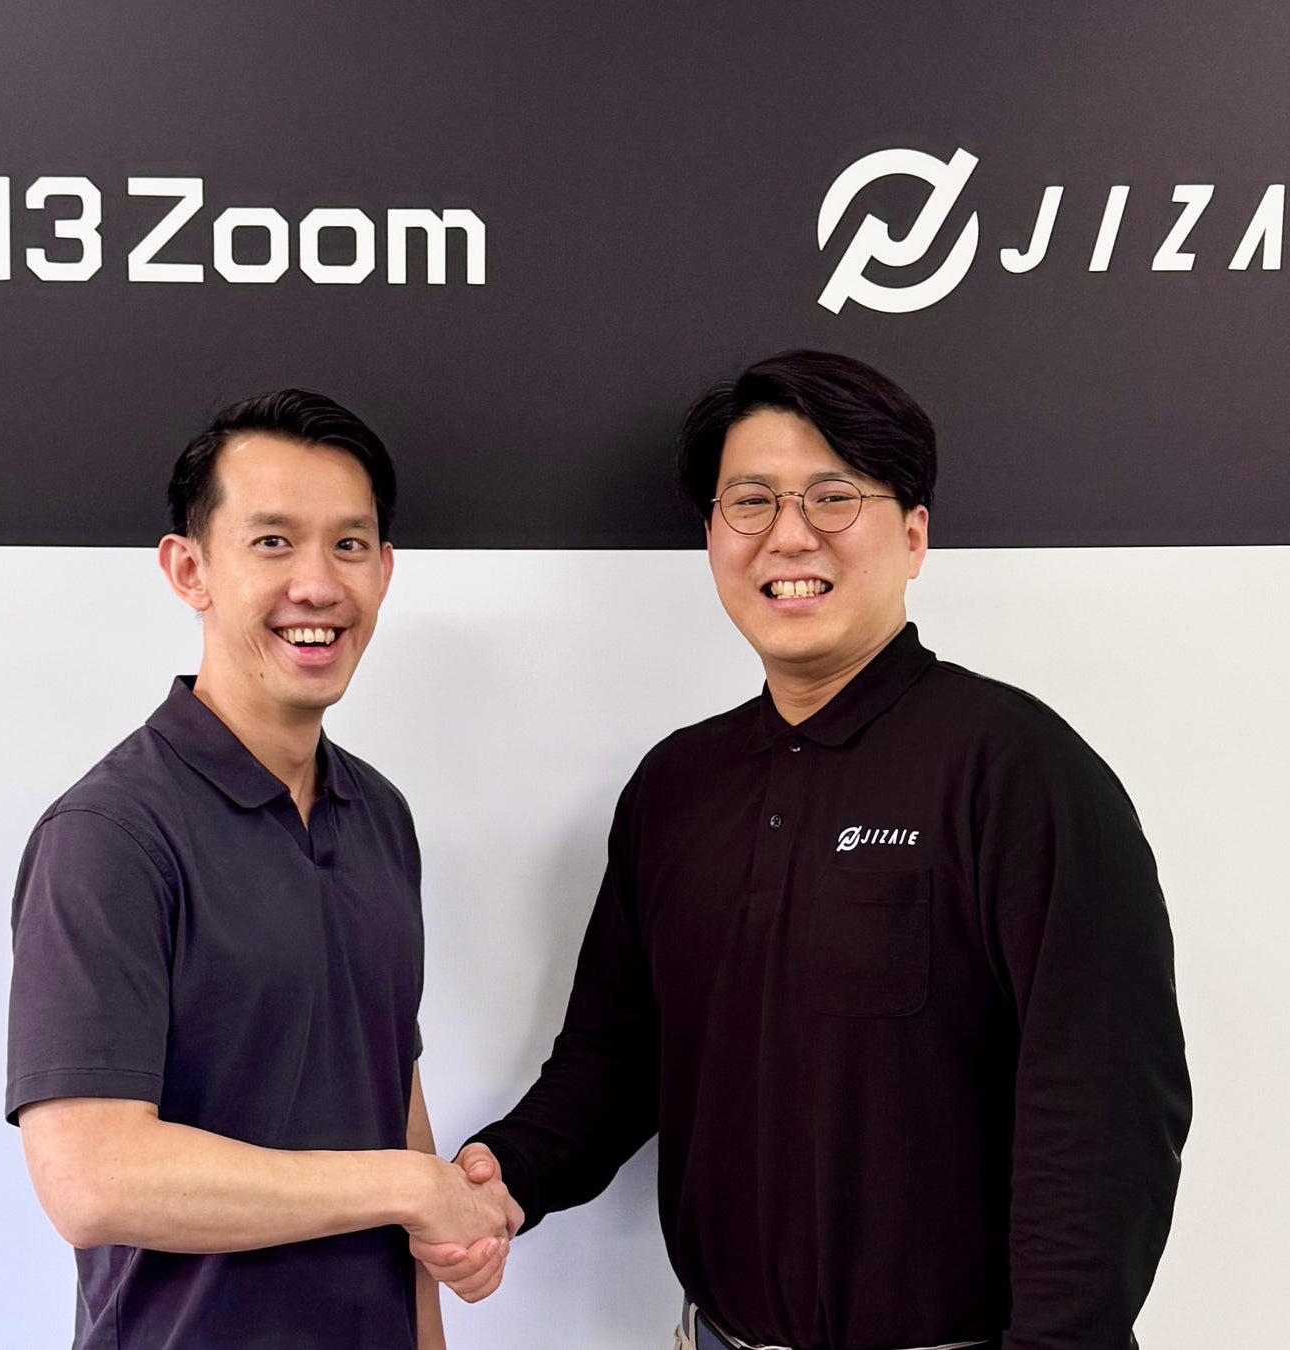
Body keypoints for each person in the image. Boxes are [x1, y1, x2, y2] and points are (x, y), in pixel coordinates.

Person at [419, 351, 1192, 1349]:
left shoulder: (1017, 769)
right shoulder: (676, 787)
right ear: (712, 536)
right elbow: (620, 1058)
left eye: (834, 497)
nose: (790, 534)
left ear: (913, 535)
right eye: (751, 502)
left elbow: (1104, 1110)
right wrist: (504, 1176)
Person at [5, 389, 519, 1350]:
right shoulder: (109, 833)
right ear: (189, 569)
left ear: (385, 571)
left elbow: (394, 1091)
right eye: (273, 543)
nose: (316, 585)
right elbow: (90, 1179)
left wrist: (431, 1284)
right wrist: (409, 1188)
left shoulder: (380, 814)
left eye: (349, 545)